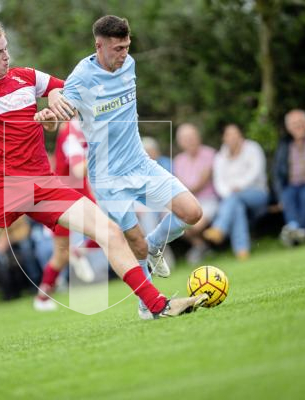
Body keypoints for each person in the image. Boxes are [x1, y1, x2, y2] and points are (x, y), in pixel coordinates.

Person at [0, 18, 207, 369]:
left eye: (7, 49)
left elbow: (59, 89)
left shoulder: (26, 77)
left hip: (44, 184)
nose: (6, 57)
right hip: (4, 187)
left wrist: (53, 99)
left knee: (110, 231)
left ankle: (158, 306)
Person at [46, 15, 203, 319]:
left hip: (140, 163)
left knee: (192, 212)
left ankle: (157, 246)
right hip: (107, 177)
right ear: (99, 45)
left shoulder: (128, 63)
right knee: (135, 244)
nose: (123, 54)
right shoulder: (82, 77)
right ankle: (147, 306)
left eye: (127, 47)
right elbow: (61, 113)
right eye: (117, 48)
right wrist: (49, 118)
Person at [33, 119, 97, 311]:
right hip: (62, 196)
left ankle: (43, 297)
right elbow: (79, 169)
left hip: (79, 194)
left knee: (107, 231)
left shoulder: (86, 127)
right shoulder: (71, 132)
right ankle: (43, 298)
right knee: (61, 253)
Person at [203, 124, 269, 260]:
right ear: (224, 138)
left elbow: (256, 172)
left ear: (241, 135)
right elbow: (219, 181)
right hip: (231, 198)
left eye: (235, 133)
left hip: (257, 193)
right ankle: (242, 251)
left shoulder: (253, 148)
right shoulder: (220, 156)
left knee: (235, 199)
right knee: (237, 206)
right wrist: (229, 193)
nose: (233, 137)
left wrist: (239, 186)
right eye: (229, 134)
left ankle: (220, 227)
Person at [272, 110, 305, 246]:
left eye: (300, 122)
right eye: (294, 124)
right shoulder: (283, 144)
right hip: (291, 184)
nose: (298, 126)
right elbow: (277, 172)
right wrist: (279, 195)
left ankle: (298, 230)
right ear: (288, 127)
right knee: (287, 196)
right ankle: (296, 228)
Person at [173, 123, 219, 263]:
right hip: (187, 201)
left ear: (198, 137)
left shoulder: (210, 154)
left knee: (195, 223)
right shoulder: (178, 160)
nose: (190, 141)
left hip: (209, 199)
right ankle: (202, 247)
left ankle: (202, 249)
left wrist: (189, 187)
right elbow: (180, 185)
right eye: (186, 139)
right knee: (174, 223)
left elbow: (201, 183)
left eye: (192, 137)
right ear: (180, 142)